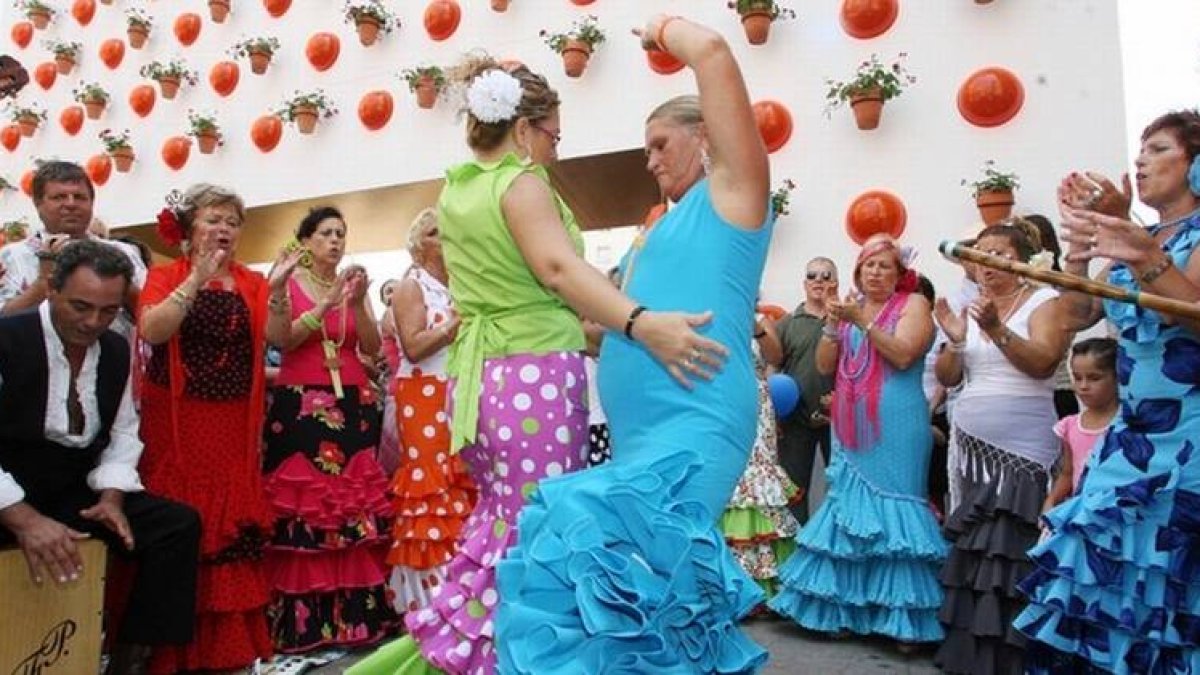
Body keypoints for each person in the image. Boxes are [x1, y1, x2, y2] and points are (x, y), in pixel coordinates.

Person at [351, 34, 741, 674]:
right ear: (526, 129)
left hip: (485, 378)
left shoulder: (459, 189)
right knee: (541, 530)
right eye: (555, 135)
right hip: (532, 374)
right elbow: (558, 269)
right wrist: (643, 324)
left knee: (505, 521)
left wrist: (602, 333)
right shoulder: (520, 182)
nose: (557, 148)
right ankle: (517, 659)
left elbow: (517, 289)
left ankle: (472, 652)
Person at [494, 15, 774, 672]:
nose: (649, 161)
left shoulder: (736, 194)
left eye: (658, 144)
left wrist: (657, 27)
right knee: (628, 586)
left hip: (698, 419)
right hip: (640, 431)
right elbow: (610, 327)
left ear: (706, 137)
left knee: (655, 578)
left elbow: (709, 50)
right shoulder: (656, 230)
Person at [1015, 109, 1200, 673]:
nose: (1140, 160)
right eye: (1140, 149)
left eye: (1159, 149)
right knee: (1093, 553)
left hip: (1190, 432)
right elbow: (1076, 312)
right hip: (1133, 432)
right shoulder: (1137, 236)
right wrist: (1079, 245)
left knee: (1170, 574)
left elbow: (1193, 312)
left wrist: (1143, 252)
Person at [0, 240, 200, 675]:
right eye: (80, 306)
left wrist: (111, 498)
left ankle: (131, 659)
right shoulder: (7, 337)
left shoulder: (114, 349)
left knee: (176, 527)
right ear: (51, 289)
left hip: (73, 487)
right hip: (7, 489)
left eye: (108, 311)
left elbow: (124, 431)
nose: (93, 322)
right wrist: (24, 519)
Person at [770, 234, 946, 648]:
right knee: (850, 512)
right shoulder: (851, 307)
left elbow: (903, 355)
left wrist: (862, 322)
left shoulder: (914, 304)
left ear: (900, 273)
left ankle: (900, 619)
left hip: (897, 422)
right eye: (869, 265)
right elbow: (825, 365)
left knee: (896, 516)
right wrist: (833, 326)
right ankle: (846, 609)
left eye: (885, 265)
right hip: (849, 423)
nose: (876, 272)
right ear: (858, 271)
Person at [136, 184, 274, 673]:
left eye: (232, 222)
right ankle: (172, 646)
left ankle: (226, 649)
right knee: (183, 519)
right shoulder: (164, 276)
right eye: (214, 219)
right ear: (189, 228)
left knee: (229, 522)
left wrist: (280, 291)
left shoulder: (253, 282)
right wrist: (197, 277)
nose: (224, 230)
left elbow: (274, 339)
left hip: (232, 419)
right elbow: (154, 331)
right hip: (178, 420)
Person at [930, 222, 1074, 674]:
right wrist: (956, 338)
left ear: (1020, 260)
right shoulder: (974, 306)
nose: (986, 263)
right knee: (977, 548)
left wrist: (996, 329)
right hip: (972, 449)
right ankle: (971, 653)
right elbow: (951, 378)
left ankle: (1013, 656)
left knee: (1010, 547)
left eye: (996, 254)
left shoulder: (1043, 301)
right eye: (980, 254)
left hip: (1022, 450)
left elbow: (1043, 361)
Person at [261, 206, 396, 653]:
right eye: (325, 233)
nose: (335, 241)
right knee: (309, 504)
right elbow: (284, 339)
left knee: (352, 503)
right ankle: (306, 622)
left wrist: (358, 301)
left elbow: (375, 349)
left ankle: (357, 620)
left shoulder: (351, 289)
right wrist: (328, 298)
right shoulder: (289, 283)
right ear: (305, 241)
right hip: (303, 401)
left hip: (353, 401)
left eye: (341, 233)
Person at [384, 208, 476, 615]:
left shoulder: (460, 284)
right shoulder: (411, 286)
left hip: (459, 389)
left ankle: (464, 579)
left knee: (462, 479)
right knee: (431, 485)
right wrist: (452, 327)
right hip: (422, 393)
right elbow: (414, 346)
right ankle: (429, 594)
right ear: (420, 244)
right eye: (438, 232)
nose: (449, 237)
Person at [0, 161, 146, 340]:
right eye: (59, 197)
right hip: (36, 362)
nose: (70, 204)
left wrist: (119, 278)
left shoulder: (124, 252)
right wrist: (42, 283)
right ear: (38, 204)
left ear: (92, 202)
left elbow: (151, 313)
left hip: (114, 361)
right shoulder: (12, 256)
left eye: (79, 197)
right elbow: (4, 320)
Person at [720, 319, 798, 611]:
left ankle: (763, 587)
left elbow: (776, 357)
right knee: (729, 487)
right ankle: (732, 586)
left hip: (756, 406)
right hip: (721, 403)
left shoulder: (760, 322)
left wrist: (756, 328)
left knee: (757, 489)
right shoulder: (709, 315)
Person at [774, 257, 838, 521]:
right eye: (812, 275)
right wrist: (773, 414)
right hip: (795, 421)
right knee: (794, 492)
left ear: (835, 282)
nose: (819, 280)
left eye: (826, 275)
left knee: (841, 489)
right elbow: (771, 366)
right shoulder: (787, 323)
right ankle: (795, 553)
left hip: (838, 421)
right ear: (804, 283)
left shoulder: (845, 321)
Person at [1043, 337, 1118, 512]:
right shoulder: (1070, 426)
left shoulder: (1126, 422)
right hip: (1081, 512)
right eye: (1077, 378)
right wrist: (1051, 501)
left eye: (1094, 378)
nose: (1083, 386)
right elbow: (1068, 473)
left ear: (1117, 377)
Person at [376, 277, 402, 476]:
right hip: (398, 389)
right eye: (388, 291)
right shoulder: (390, 316)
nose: (393, 294)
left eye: (396, 288)